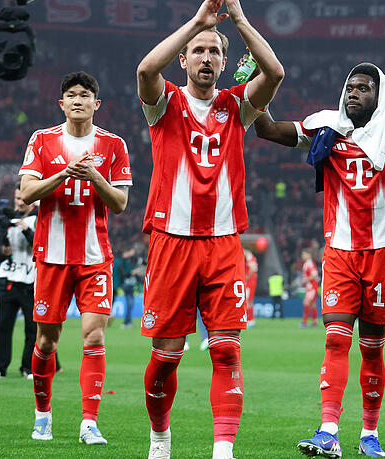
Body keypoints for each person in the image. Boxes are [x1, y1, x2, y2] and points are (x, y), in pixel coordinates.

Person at [253, 24, 385, 458]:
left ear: (380, 95)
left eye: (364, 88)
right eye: (350, 86)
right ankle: (329, 431)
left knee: (372, 348)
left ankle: (369, 434)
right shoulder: (325, 128)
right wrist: (257, 80)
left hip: (383, 255)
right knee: (334, 340)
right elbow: (267, 130)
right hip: (340, 254)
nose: (353, 93)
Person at [135, 0, 284, 457]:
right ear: (184, 59)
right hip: (171, 243)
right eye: (197, 51)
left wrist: (237, 20)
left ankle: (223, 450)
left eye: (214, 53)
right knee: (166, 357)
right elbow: (145, 69)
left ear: (224, 62)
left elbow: (274, 73)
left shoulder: (236, 106)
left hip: (222, 244)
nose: (205, 58)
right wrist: (198, 23)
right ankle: (161, 435)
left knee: (226, 351)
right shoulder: (165, 105)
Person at [18, 71, 132, 445]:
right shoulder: (43, 140)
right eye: (72, 95)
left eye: (86, 95)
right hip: (51, 256)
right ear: (62, 103)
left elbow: (119, 204)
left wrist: (94, 175)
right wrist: (64, 174)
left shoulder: (114, 144)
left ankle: (89, 422)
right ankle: (43, 415)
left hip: (95, 256)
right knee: (47, 342)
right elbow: (28, 192)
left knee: (94, 335)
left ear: (97, 104)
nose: (78, 100)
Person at [0, 185, 37, 380]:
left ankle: (29, 368)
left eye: (24, 198)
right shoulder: (5, 221)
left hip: (31, 282)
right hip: (8, 280)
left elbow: (41, 246)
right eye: (17, 198)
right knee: (2, 327)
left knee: (32, 329)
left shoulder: (40, 219)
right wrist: (2, 251)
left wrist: (25, 230)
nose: (20, 202)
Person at [300, 249, 319, 327]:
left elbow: (315, 275)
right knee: (312, 304)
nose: (302, 256)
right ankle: (315, 322)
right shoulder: (306, 264)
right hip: (310, 287)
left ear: (309, 255)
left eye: (304, 254)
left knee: (306, 302)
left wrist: (306, 279)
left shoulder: (310, 264)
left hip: (312, 287)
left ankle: (304, 322)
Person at [244, 249, 258, 327]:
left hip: (250, 283)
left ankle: (250, 320)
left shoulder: (250, 259)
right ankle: (251, 320)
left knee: (247, 301)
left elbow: (252, 269)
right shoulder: (253, 259)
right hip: (252, 282)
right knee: (249, 301)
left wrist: (247, 277)